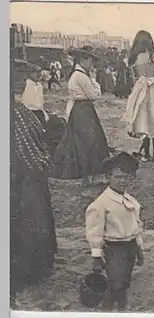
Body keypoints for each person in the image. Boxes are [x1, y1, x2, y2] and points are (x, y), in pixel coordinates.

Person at [10, 58, 58, 308]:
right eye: (14, 74)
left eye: (22, 74)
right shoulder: (13, 112)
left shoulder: (20, 109)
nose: (19, 79)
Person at [85, 152, 144, 312]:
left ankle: (122, 309)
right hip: (114, 249)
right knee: (113, 286)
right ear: (108, 177)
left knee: (124, 283)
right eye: (118, 177)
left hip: (129, 247)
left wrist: (139, 248)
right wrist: (96, 257)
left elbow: (136, 226)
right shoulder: (101, 204)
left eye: (127, 177)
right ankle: (108, 311)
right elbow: (94, 231)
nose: (123, 181)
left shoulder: (131, 201)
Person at [52, 45, 110, 187]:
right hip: (84, 110)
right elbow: (93, 95)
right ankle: (90, 176)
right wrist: (95, 81)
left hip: (81, 110)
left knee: (82, 142)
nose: (92, 64)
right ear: (83, 59)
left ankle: (87, 177)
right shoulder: (80, 76)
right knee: (90, 141)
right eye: (90, 60)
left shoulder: (77, 75)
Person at [122, 30, 154, 163]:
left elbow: (133, 79)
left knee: (143, 121)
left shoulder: (133, 58)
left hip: (140, 90)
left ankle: (146, 154)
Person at [19, 62, 48, 126]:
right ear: (30, 73)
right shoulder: (25, 84)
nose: (39, 75)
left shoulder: (40, 86)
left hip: (39, 113)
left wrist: (44, 112)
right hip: (28, 113)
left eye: (40, 72)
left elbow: (40, 102)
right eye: (36, 72)